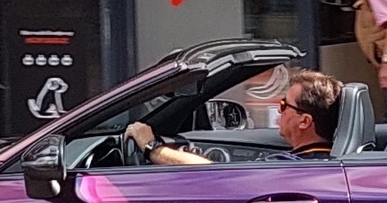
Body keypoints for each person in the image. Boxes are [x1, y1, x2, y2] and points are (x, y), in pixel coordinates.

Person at [126, 70, 343, 166]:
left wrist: (152, 147)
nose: (279, 109)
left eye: (284, 104)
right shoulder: (323, 159)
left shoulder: (289, 166)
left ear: (304, 121)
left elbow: (214, 175)